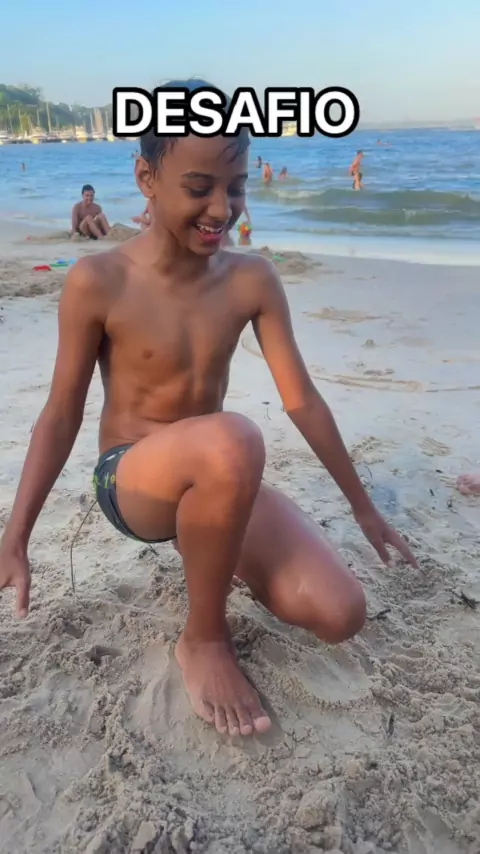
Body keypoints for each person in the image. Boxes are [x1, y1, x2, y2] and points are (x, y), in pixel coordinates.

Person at [0, 78, 417, 739]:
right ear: (146, 178)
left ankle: (214, 542)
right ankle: (203, 638)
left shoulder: (253, 279)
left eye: (236, 187)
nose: (221, 208)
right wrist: (16, 535)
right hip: (132, 480)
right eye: (199, 188)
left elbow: (302, 400)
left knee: (341, 613)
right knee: (233, 438)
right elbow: (60, 414)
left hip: (217, 476)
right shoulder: (98, 281)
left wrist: (364, 508)